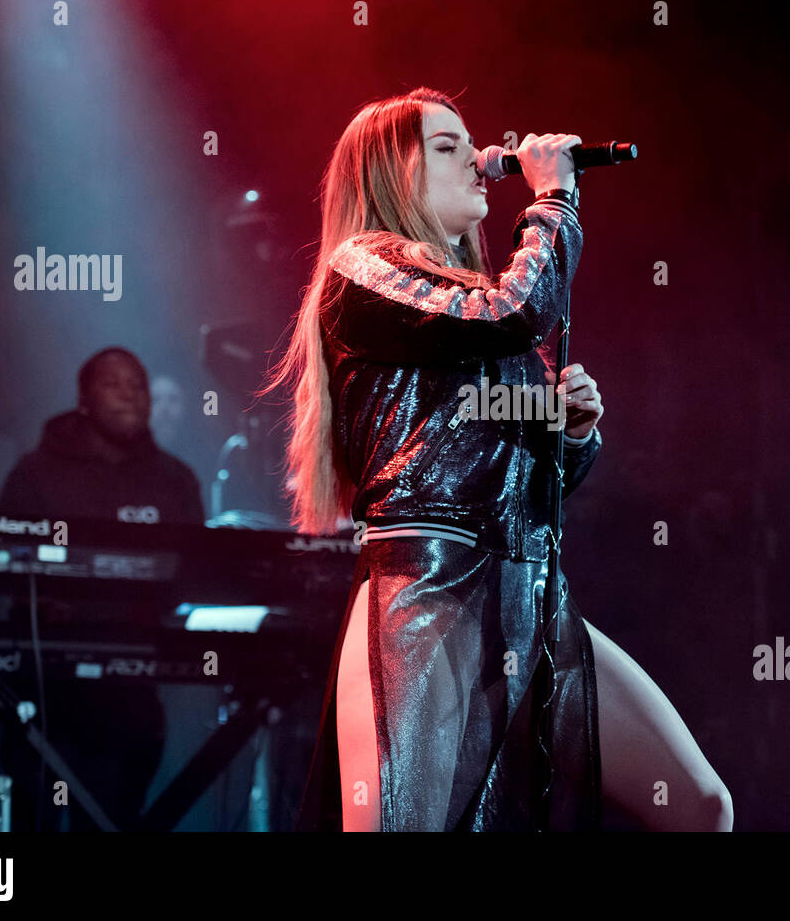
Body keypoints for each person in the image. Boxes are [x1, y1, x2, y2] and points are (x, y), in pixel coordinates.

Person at [261, 88, 732, 831]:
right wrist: (553, 200)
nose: (480, 159)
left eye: (470, 141)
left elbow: (534, 489)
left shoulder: (470, 306)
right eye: (447, 147)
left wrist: (569, 433)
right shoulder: (364, 269)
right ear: (391, 176)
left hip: (524, 594)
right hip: (428, 592)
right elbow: (517, 311)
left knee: (700, 803)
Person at [0, 346, 204, 830]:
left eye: (139, 385)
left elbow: (194, 572)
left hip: (130, 697)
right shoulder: (34, 473)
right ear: (84, 398)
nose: (131, 395)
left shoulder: (175, 481)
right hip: (46, 688)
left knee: (113, 816)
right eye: (115, 384)